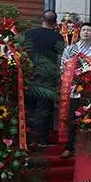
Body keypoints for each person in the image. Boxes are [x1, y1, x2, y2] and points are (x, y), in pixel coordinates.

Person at [60, 22, 91, 158]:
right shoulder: (70, 49)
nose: (86, 32)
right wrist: (77, 76)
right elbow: (63, 67)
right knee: (73, 117)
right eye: (84, 30)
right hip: (76, 88)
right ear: (79, 33)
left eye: (89, 30)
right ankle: (70, 146)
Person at [25, 10, 64, 146]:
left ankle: (28, 137)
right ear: (55, 22)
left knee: (29, 106)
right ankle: (41, 139)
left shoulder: (29, 34)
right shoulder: (58, 37)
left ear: (42, 19)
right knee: (44, 108)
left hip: (29, 74)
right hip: (48, 77)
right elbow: (61, 58)